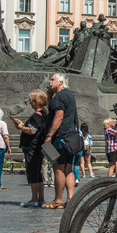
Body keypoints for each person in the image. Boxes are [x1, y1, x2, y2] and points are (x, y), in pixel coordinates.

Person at [43, 73, 79, 210]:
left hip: (59, 137)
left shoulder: (59, 97)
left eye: (52, 80)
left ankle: (58, 199)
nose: (50, 81)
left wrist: (49, 135)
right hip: (71, 137)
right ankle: (70, 199)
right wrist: (49, 96)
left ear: (60, 82)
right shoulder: (68, 95)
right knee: (68, 168)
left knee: (57, 168)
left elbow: (58, 116)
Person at [11, 89, 48, 207]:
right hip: (39, 146)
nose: (30, 103)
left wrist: (22, 127)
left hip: (32, 147)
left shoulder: (36, 116)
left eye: (31, 101)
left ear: (37, 102)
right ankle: (40, 198)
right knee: (39, 173)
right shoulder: (45, 113)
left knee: (33, 172)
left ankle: (34, 198)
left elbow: (32, 130)